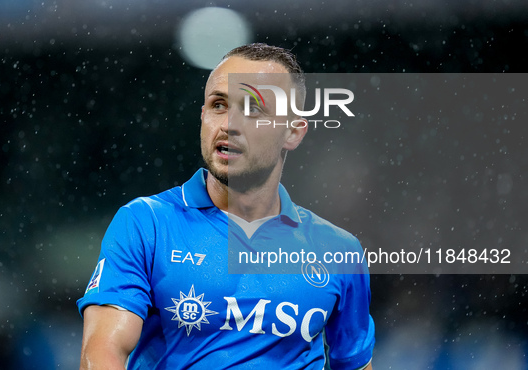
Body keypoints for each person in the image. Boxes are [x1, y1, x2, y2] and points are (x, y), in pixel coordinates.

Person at [77, 43, 375, 369]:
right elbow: (102, 352)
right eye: (218, 104)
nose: (229, 124)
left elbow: (356, 365)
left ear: (293, 131)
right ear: (203, 116)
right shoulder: (146, 224)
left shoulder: (339, 251)